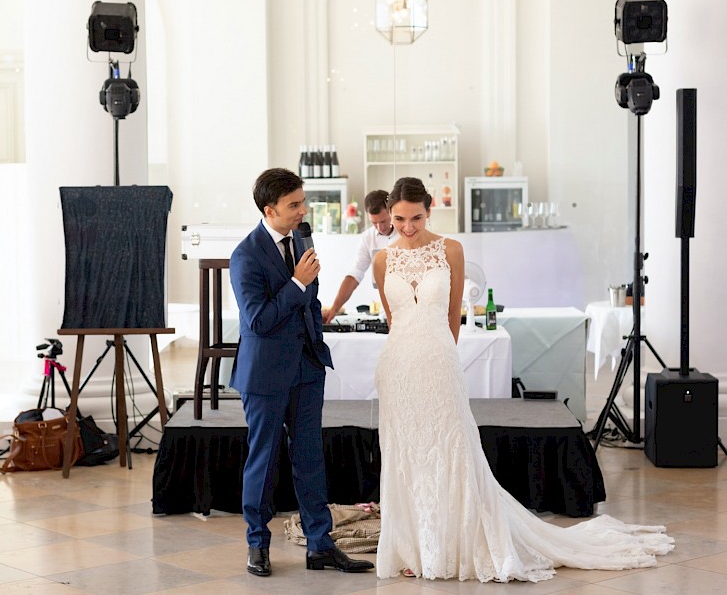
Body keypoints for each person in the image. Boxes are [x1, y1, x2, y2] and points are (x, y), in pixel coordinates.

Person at [371, 177, 673, 582]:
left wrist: (443, 356)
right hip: (398, 368)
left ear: (429, 210)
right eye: (400, 219)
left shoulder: (450, 250)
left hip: (438, 362)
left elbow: (453, 316)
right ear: (389, 214)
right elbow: (394, 320)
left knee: (452, 449)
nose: (408, 226)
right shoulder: (382, 260)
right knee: (407, 454)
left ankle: (454, 542)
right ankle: (415, 546)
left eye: (416, 217)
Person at [230, 168, 373, 577]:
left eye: (302, 202)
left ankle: (320, 546)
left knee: (310, 459)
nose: (302, 210)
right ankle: (257, 545)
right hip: (265, 375)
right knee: (263, 460)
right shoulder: (246, 255)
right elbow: (257, 320)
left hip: (307, 369)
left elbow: (310, 302)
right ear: (269, 209)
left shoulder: (301, 242)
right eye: (294, 205)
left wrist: (317, 342)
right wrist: (296, 282)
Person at [322, 189, 397, 323]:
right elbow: (355, 275)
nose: (380, 227)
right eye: (374, 223)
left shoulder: (407, 233)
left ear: (392, 211)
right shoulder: (367, 238)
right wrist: (334, 309)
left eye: (383, 221)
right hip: (386, 313)